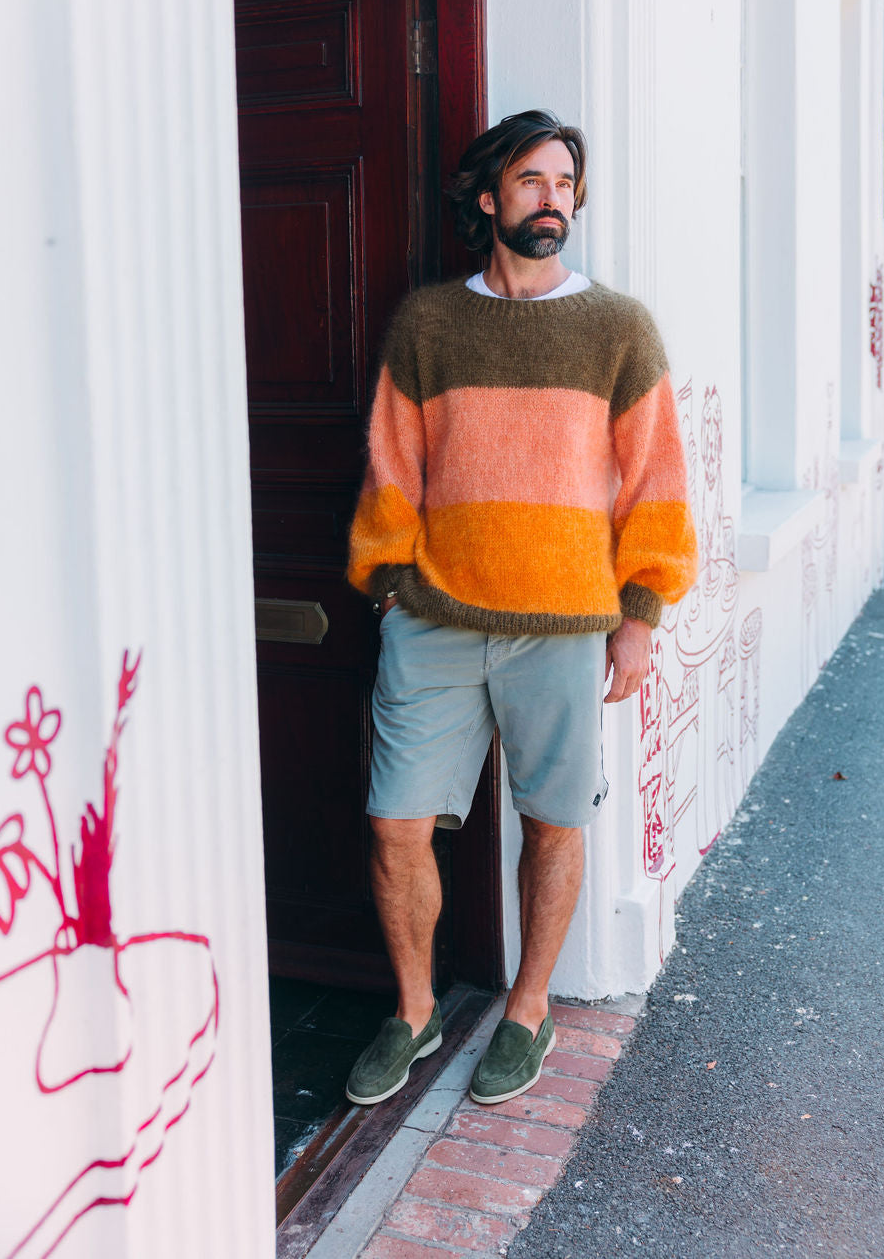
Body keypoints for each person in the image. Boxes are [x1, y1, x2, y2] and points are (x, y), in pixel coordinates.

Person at [344, 109, 697, 1107]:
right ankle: (414, 1011)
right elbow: (392, 469)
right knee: (395, 824)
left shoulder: (617, 328)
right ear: (489, 196)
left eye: (564, 183)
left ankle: (529, 1009)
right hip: (434, 621)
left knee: (551, 823)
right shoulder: (428, 324)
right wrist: (388, 587)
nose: (552, 199)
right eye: (532, 180)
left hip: (566, 627)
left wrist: (639, 613)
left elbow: (657, 483)